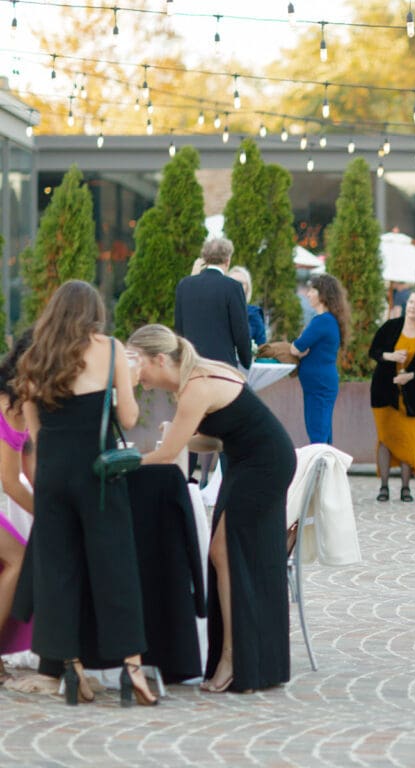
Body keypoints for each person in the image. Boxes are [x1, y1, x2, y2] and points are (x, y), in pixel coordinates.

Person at [128, 324, 296, 694]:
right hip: (246, 461)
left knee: (224, 553)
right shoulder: (198, 377)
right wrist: (180, 432)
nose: (135, 373)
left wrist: (126, 461)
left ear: (159, 358)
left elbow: (169, 455)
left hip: (263, 465)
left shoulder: (195, 386)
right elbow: (217, 439)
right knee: (233, 557)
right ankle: (248, 661)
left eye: (137, 362)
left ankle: (234, 660)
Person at [16, 280, 156, 706]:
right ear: (94, 311)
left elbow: (34, 430)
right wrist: (126, 381)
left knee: (57, 571)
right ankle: (132, 669)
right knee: (115, 567)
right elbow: (129, 418)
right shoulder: (110, 349)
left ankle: (71, 667)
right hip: (97, 473)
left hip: (54, 473)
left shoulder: (37, 355)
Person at [369, 287, 415, 503]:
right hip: (383, 392)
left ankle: (406, 488)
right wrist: (389, 356)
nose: (412, 306)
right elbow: (374, 351)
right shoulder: (391, 326)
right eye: (410, 302)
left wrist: (410, 376)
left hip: (409, 396)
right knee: (385, 439)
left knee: (408, 439)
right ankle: (383, 487)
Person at [0, 330, 35, 682]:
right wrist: (49, 515)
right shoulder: (10, 408)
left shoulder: (18, 405)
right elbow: (12, 483)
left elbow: (28, 469)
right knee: (18, 558)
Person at [289, 274, 350, 445]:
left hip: (319, 385)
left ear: (323, 294)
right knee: (322, 431)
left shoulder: (322, 321)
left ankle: (321, 471)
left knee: (317, 433)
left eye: (312, 290)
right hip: (320, 384)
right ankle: (325, 471)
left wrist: (300, 346)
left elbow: (295, 347)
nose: (308, 294)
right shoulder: (328, 320)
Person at [174, 237, 252, 370]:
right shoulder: (233, 287)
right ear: (228, 260)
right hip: (222, 366)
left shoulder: (184, 285)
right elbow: (241, 330)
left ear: (205, 259)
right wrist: (246, 360)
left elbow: (179, 328)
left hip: (192, 364)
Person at [227, 266, 267, 347]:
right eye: (232, 281)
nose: (236, 286)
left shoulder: (254, 314)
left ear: (247, 288)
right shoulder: (216, 310)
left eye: (241, 283)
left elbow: (261, 345)